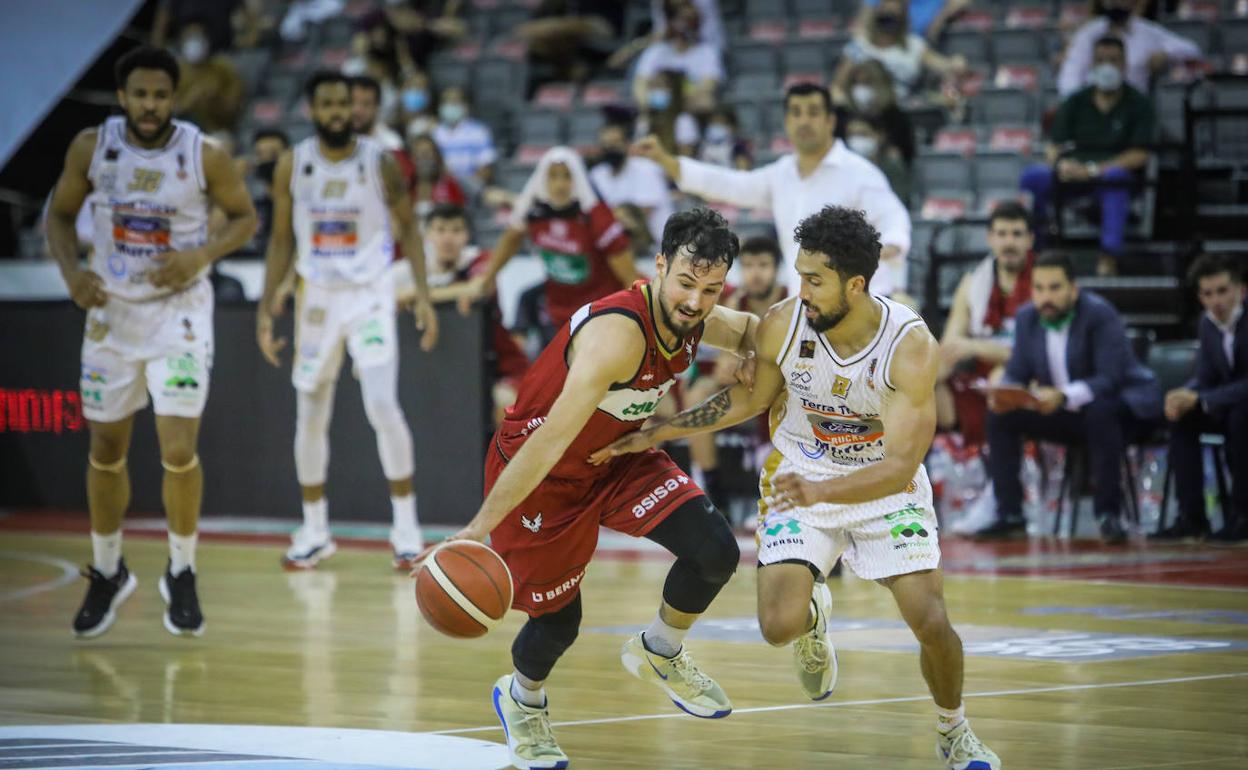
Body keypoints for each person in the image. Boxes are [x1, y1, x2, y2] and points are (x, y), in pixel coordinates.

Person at [593, 206, 1001, 770]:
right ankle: (812, 616)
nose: (801, 290)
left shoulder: (908, 345)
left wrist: (821, 494)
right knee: (777, 627)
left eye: (814, 280)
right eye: (800, 275)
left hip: (883, 485)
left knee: (930, 621)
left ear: (855, 284)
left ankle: (954, 730)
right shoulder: (785, 323)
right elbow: (751, 398)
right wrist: (659, 431)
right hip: (801, 471)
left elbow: (901, 465)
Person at [424, 209, 757, 770]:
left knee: (715, 551)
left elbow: (755, 328)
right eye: (685, 283)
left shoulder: (692, 314)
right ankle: (522, 699)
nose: (696, 302)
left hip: (617, 454)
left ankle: (660, 650)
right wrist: (478, 529)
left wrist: (755, 351)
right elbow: (550, 439)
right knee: (559, 622)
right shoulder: (616, 337)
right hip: (544, 471)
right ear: (658, 266)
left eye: (711, 289)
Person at [45, 46, 258, 638]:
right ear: (123, 96)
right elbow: (59, 216)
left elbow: (245, 217)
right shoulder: (92, 147)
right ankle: (108, 569)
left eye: (160, 95)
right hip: (111, 313)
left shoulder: (203, 154)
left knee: (178, 447)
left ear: (173, 98)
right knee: (106, 447)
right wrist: (70, 273)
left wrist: (200, 255)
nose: (149, 105)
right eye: (139, 94)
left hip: (178, 315)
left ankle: (182, 569)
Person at [255, 70, 439, 572]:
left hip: (369, 294)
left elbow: (410, 230)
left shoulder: (380, 162)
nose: (339, 112)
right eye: (329, 104)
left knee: (382, 404)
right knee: (310, 411)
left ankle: (406, 529)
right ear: (313, 110)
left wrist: (422, 297)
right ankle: (314, 530)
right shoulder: (293, 164)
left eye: (346, 103)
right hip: (316, 297)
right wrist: (266, 306)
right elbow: (280, 240)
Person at [635, 82, 912, 297]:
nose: (804, 121)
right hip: (804, 303)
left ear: (830, 121)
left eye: (813, 112)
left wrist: (891, 245)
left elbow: (894, 218)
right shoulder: (781, 174)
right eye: (796, 113)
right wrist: (667, 161)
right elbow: (730, 184)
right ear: (787, 122)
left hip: (860, 300)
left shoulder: (858, 172)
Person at [980, 251, 1163, 543]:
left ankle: (1108, 515)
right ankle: (1010, 514)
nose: (1046, 297)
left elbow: (1110, 378)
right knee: (1001, 415)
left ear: (1073, 289)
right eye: (1039, 288)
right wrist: (1006, 393)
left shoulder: (1099, 314)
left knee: (1101, 411)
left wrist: (1064, 396)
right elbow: (1017, 372)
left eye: (1055, 288)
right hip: (1070, 414)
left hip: (1127, 411)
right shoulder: (1027, 317)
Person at [1021, 36, 1156, 276]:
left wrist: (1093, 170)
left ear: (1124, 64)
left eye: (1113, 60)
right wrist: (1062, 165)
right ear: (1092, 64)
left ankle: (1108, 256)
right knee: (1033, 177)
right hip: (1073, 177)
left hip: (1112, 179)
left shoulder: (1139, 104)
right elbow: (1054, 147)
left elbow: (1140, 154)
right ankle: (1037, 250)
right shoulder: (1076, 101)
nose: (1107, 66)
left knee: (1116, 178)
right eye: (1101, 60)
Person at [469, 146, 637, 330]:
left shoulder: (597, 217)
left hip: (600, 313)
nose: (560, 185)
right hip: (558, 312)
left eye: (567, 176)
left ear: (578, 178)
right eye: (553, 176)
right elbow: (511, 239)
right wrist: (488, 277)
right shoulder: (533, 212)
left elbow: (629, 275)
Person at [684, 235, 787, 509]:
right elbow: (724, 363)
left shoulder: (791, 302)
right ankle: (711, 486)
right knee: (698, 394)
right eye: (749, 266)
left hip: (781, 386)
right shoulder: (733, 301)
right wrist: (727, 365)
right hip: (746, 384)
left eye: (763, 265)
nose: (755, 274)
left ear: (777, 269)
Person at [407, 203, 530, 426]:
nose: (448, 238)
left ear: (467, 235)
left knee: (504, 404)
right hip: (444, 369)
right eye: (440, 230)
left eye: (456, 230)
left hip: (499, 368)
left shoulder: (481, 261)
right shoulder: (412, 269)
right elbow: (387, 295)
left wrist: (418, 296)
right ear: (427, 235)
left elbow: (477, 288)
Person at [1154, 254, 1248, 542]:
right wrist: (1185, 394)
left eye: (1222, 291)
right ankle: (1192, 517)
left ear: (1241, 290)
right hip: (1226, 404)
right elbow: (1206, 377)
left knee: (1241, 416)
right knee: (1182, 417)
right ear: (1199, 297)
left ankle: (1242, 516)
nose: (1216, 301)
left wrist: (1201, 397)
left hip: (1241, 409)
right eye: (1207, 294)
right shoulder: (1206, 324)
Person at [936, 201, 1035, 445]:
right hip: (980, 378)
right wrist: (928, 374)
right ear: (990, 238)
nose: (1009, 242)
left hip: (1031, 377)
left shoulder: (1044, 283)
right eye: (1002, 234)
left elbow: (1036, 356)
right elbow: (951, 343)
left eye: (1017, 234)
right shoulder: (973, 282)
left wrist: (975, 347)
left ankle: (1006, 455)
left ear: (1030, 240)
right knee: (924, 383)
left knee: (1001, 381)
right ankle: (945, 459)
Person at [1058, 0, 1202, 97]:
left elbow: (1192, 49)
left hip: (1134, 107)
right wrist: (1077, 106)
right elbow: (1071, 74)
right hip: (1095, 105)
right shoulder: (1089, 33)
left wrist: (1165, 54)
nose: (1116, 2)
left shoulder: (1147, 31)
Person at [834, 0, 967, 103]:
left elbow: (944, 66)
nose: (888, 25)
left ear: (903, 19)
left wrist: (954, 64)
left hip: (900, 110)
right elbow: (838, 86)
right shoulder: (860, 45)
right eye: (885, 18)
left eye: (894, 19)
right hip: (861, 111)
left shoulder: (914, 46)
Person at [589, 120, 674, 246]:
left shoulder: (647, 169)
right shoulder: (596, 174)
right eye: (605, 145)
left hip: (656, 245)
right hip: (616, 244)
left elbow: (639, 215)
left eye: (614, 144)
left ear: (627, 144)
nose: (609, 149)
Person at [632, 0, 723, 114]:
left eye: (690, 22)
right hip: (658, 112)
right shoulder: (655, 51)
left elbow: (708, 87)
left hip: (689, 112)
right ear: (670, 22)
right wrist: (654, 104)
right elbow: (640, 86)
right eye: (681, 21)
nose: (684, 27)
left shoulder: (707, 53)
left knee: (705, 102)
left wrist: (672, 101)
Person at [838, 60, 917, 167]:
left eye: (867, 83)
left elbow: (907, 154)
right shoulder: (841, 114)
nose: (861, 88)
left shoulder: (895, 117)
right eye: (856, 83)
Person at [173, 19, 245, 133]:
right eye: (189, 37)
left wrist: (215, 100)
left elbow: (233, 110)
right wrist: (189, 100)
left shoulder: (224, 69)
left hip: (216, 131)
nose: (193, 43)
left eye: (198, 37)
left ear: (207, 41)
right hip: (182, 132)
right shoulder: (174, 71)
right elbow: (168, 111)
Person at [431, 85, 497, 189]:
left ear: (465, 106)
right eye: (446, 102)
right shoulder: (434, 132)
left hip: (472, 188)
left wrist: (467, 188)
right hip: (442, 188)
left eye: (454, 102)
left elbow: (485, 169)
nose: (450, 106)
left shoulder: (479, 132)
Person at [844, 112, 911, 206]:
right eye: (852, 135)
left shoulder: (891, 167)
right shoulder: (844, 168)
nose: (857, 140)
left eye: (863, 134)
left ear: (880, 135)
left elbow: (898, 202)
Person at [406, 132, 465, 220]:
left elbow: (460, 216)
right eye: (419, 153)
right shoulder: (406, 187)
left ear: (436, 156)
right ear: (411, 158)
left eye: (427, 153)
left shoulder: (449, 184)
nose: (424, 158)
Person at [350, 75, 405, 152]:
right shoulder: (333, 140)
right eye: (352, 102)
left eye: (366, 104)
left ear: (377, 107)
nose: (357, 110)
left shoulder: (391, 144)